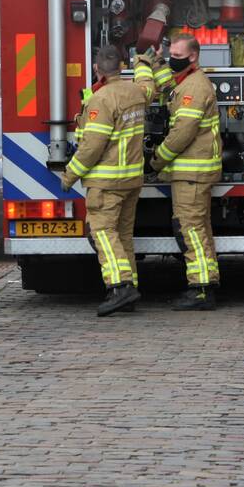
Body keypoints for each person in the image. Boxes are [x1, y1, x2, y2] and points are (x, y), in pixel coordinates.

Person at [60, 45, 158, 316]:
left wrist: (70, 175)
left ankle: (120, 286)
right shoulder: (137, 92)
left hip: (106, 182)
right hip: (131, 179)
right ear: (122, 66)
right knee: (123, 236)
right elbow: (148, 85)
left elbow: (92, 147)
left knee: (102, 233)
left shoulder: (100, 99)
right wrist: (143, 62)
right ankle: (130, 290)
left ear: (96, 69)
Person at [149, 33, 222, 310]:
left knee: (190, 230)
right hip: (192, 172)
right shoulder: (186, 82)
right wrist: (152, 63)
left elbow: (181, 134)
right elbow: (167, 84)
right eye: (171, 56)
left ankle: (201, 289)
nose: (172, 61)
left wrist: (156, 160)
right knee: (197, 229)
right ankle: (204, 284)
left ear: (194, 56)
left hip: (193, 173)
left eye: (177, 58)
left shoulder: (194, 88)